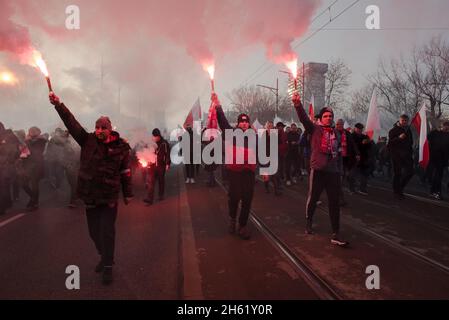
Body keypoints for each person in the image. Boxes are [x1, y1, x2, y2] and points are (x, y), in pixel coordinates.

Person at [49, 92, 133, 285]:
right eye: (97, 127)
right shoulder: (87, 140)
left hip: (109, 197)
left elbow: (126, 171)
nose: (99, 130)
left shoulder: (121, 147)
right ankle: (104, 257)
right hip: (90, 196)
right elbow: (72, 123)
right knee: (94, 233)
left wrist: (127, 194)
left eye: (103, 127)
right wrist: (58, 105)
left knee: (107, 232)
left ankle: (108, 268)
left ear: (110, 129)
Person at [292, 92, 348, 247]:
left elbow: (339, 152)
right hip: (318, 170)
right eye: (326, 116)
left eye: (331, 116)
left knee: (334, 202)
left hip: (333, 172)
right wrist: (297, 105)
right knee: (314, 198)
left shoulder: (336, 132)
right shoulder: (315, 129)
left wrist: (340, 170)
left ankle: (336, 232)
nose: (329, 118)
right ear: (321, 118)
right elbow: (303, 118)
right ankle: (309, 221)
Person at [214, 93, 256, 240]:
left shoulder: (254, 136)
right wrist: (218, 106)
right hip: (235, 172)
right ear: (238, 123)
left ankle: (242, 225)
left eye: (246, 122)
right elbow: (223, 122)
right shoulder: (231, 133)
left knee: (247, 199)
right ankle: (232, 219)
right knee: (234, 197)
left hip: (249, 172)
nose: (244, 124)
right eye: (242, 122)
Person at [21, 126, 47, 211]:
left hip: (37, 165)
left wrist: (27, 141)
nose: (30, 132)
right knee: (24, 184)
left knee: (34, 184)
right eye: (30, 131)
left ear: (37, 132)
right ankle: (33, 198)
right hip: (28, 165)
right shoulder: (27, 141)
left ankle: (35, 202)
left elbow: (37, 151)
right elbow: (24, 153)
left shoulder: (41, 140)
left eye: (32, 131)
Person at [388, 114, 414, 199]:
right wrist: (399, 138)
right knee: (397, 174)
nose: (404, 122)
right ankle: (397, 191)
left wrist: (410, 152)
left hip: (407, 155)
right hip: (396, 155)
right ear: (399, 120)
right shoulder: (393, 130)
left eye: (406, 121)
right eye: (403, 120)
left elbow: (411, 142)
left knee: (410, 172)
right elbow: (390, 143)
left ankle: (400, 188)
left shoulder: (409, 130)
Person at [335, 119, 359, 205]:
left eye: (341, 124)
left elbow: (353, 144)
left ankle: (339, 198)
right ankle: (339, 199)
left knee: (342, 177)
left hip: (345, 158)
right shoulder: (332, 132)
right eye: (338, 124)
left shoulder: (347, 133)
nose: (339, 126)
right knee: (338, 179)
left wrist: (357, 154)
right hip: (335, 159)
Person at [144, 128, 170, 205]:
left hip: (161, 165)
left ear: (159, 136)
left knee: (161, 181)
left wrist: (168, 163)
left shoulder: (164, 143)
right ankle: (149, 198)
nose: (155, 138)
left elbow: (167, 154)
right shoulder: (150, 143)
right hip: (152, 166)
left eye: (156, 137)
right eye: (154, 136)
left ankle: (161, 195)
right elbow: (146, 152)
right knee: (150, 182)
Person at [0, 122, 20, 215]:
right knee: (4, 186)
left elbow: (16, 150)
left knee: (3, 185)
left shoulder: (9, 136)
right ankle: (7, 203)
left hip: (6, 165)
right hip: (4, 164)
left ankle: (2, 207)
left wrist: (10, 160)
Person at [349, 123, 374, 195]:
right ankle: (352, 189)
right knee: (352, 175)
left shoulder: (365, 136)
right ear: (355, 128)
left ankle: (362, 189)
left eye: (361, 129)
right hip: (354, 158)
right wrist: (361, 143)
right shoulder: (351, 136)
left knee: (364, 174)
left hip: (364, 158)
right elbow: (352, 146)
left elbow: (370, 147)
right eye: (358, 128)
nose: (359, 130)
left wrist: (369, 142)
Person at [427, 121, 449, 200]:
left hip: (443, 159)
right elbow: (426, 141)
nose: (447, 128)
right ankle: (436, 192)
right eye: (445, 126)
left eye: (448, 126)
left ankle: (433, 191)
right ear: (441, 126)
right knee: (437, 175)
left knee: (438, 175)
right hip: (434, 157)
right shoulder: (434, 133)